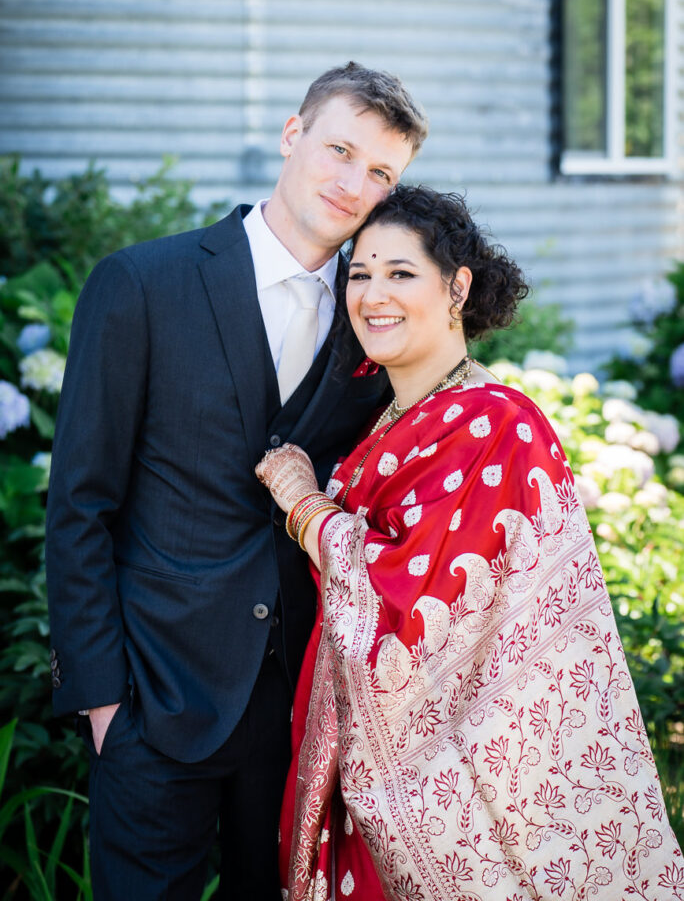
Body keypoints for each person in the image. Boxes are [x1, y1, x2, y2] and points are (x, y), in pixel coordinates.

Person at [45, 62, 428, 900]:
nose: (353, 183)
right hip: (153, 704)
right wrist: (104, 704)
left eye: (380, 172)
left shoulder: (375, 318)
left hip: (298, 720)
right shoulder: (143, 284)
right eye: (340, 150)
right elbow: (79, 505)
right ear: (293, 136)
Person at [256, 184, 683, 901]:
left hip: (478, 792)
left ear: (457, 287)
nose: (372, 296)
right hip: (370, 768)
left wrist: (305, 506)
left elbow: (408, 599)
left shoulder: (496, 424)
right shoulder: (390, 420)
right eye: (359, 274)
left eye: (400, 273)